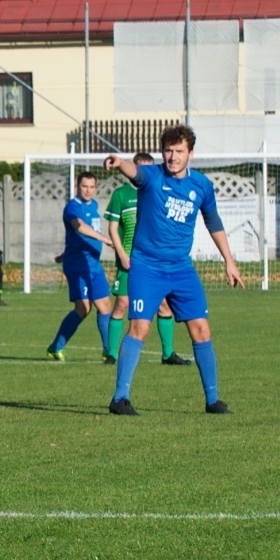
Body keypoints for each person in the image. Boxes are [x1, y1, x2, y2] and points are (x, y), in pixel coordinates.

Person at [104, 126, 243, 415]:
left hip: (181, 269)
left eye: (179, 151)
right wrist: (119, 163)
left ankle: (213, 400)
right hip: (147, 267)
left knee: (202, 330)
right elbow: (135, 171)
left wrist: (229, 261)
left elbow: (213, 223)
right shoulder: (153, 176)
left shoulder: (202, 186)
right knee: (140, 328)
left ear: (191, 153)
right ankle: (119, 399)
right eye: (168, 150)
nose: (172, 156)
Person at [103, 153, 189, 366]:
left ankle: (168, 353)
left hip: (153, 261)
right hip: (129, 260)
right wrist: (122, 254)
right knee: (122, 303)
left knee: (164, 305)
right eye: (142, 168)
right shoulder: (122, 194)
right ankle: (111, 353)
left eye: (150, 168)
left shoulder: (158, 192)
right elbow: (112, 227)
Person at [47, 172, 116, 361]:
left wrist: (65, 253)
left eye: (92, 187)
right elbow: (79, 227)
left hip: (93, 264)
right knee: (83, 308)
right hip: (78, 266)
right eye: (85, 186)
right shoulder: (72, 207)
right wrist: (104, 239)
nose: (88, 190)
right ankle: (56, 346)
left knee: (105, 306)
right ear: (78, 186)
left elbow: (76, 238)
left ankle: (108, 352)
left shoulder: (94, 205)